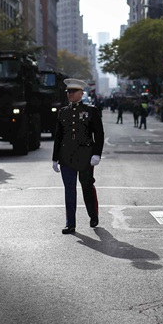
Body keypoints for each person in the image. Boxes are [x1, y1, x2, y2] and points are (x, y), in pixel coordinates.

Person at [52, 78, 105, 234]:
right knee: (69, 189)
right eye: (68, 92)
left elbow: (99, 134)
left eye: (73, 92)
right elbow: (58, 136)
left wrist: (97, 154)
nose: (70, 94)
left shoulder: (91, 111)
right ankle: (70, 223)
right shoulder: (63, 112)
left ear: (81, 93)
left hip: (85, 156)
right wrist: (55, 158)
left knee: (87, 186)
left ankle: (93, 215)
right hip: (66, 156)